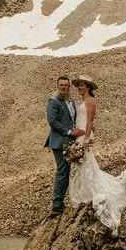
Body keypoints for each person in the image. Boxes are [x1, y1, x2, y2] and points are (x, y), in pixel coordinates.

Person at [66, 75, 126, 233]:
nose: (80, 88)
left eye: (82, 86)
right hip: (78, 135)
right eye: (79, 86)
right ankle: (84, 195)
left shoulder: (90, 101)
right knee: (81, 166)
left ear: (88, 87)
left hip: (84, 136)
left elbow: (89, 121)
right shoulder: (82, 102)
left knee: (86, 164)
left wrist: (86, 138)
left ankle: (90, 194)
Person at [45, 74, 80, 217]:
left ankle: (64, 202)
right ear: (57, 86)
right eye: (61, 85)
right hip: (59, 142)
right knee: (62, 171)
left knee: (69, 171)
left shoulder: (70, 101)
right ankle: (57, 205)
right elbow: (52, 121)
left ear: (69, 87)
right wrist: (68, 131)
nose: (64, 88)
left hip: (70, 142)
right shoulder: (53, 101)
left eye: (66, 86)